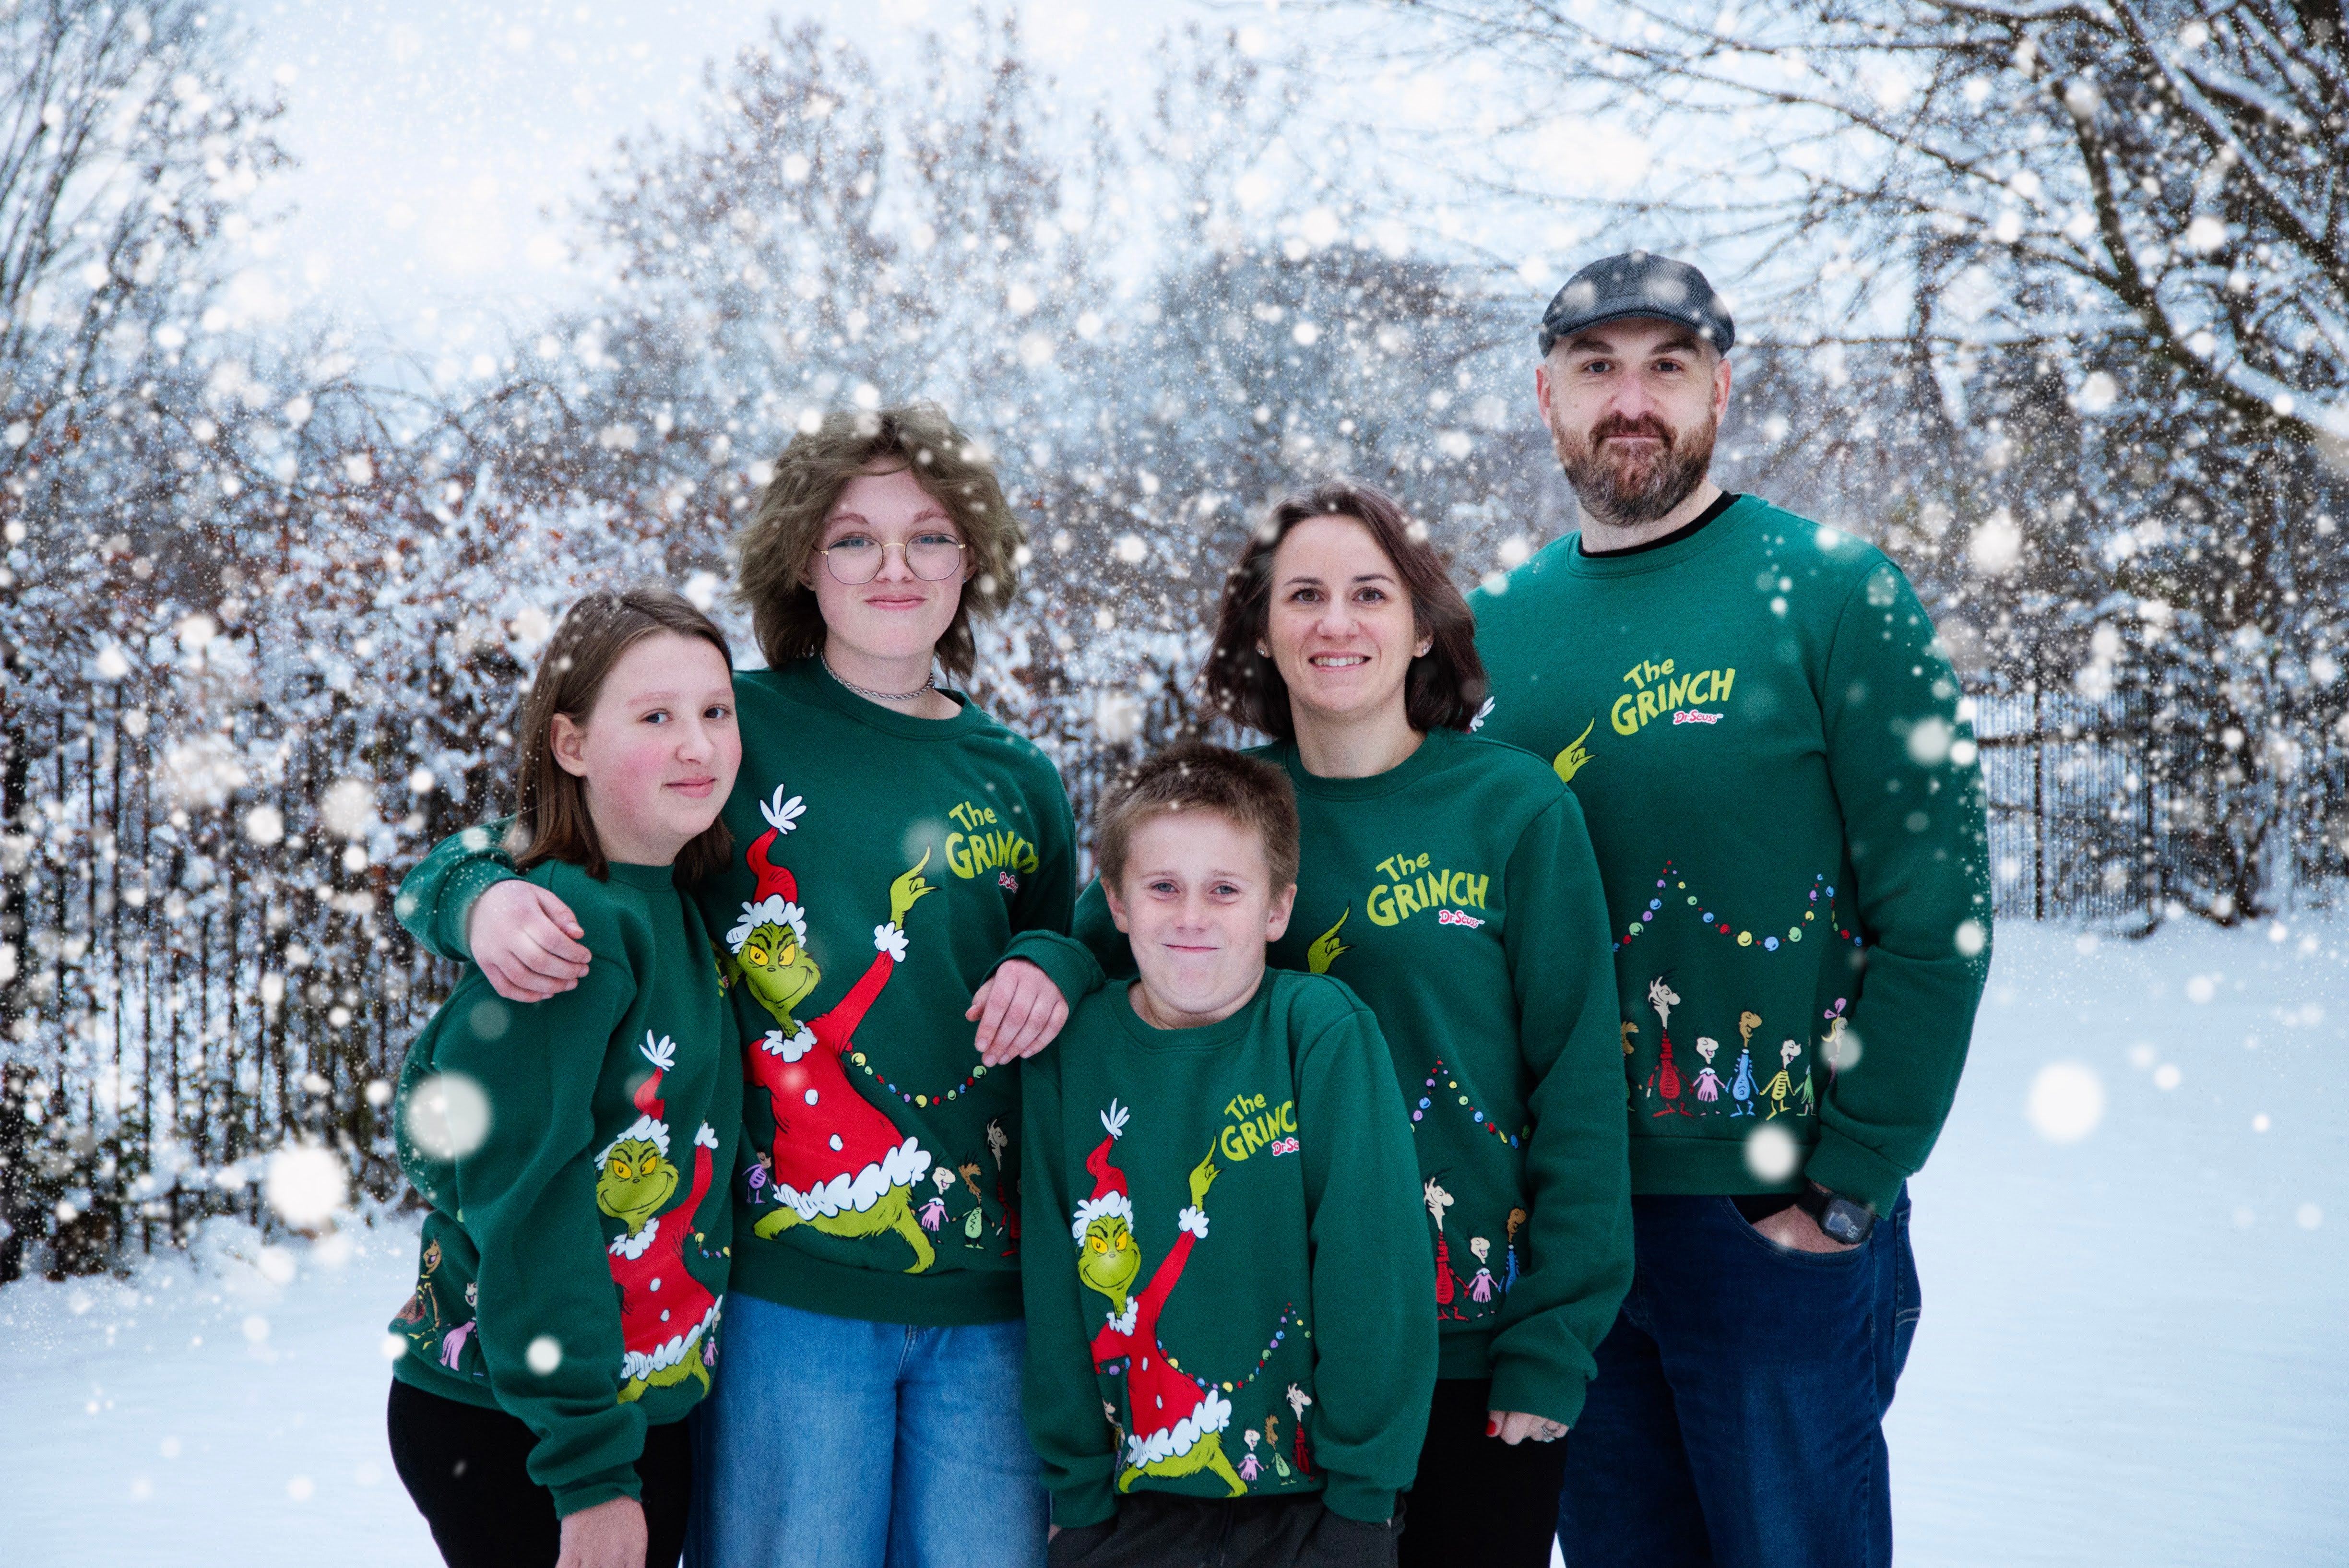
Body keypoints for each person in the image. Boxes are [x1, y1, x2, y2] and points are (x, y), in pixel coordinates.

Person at [391, 404, 1076, 1568]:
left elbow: (1070, 942)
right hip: (778, 1289)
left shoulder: (1015, 775)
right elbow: (493, 854)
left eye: (932, 536)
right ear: (806, 559)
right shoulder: (725, 722)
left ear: (975, 558)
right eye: (855, 536)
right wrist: (478, 902)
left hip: (986, 1300)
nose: (895, 566)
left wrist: (1051, 960)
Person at [994, 479, 1630, 1568]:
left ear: (1422, 623)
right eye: (1304, 595)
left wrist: (1552, 1338)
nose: (1336, 622)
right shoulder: (1236, 809)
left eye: (1369, 592)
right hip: (1275, 1355)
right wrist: (1045, 955)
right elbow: (1112, 930)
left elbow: (1577, 1083)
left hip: (1474, 1338)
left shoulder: (1514, 809)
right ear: (1263, 628)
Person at [1468, 251, 1994, 1568]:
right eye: (1597, 368)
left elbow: (1940, 915)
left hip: (1771, 1226)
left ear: (1720, 388)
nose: (1629, 400)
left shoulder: (1836, 595)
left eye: (1666, 365)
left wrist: (1847, 1185)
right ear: (1546, 395)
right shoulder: (1495, 630)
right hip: (1572, 1231)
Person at [384, 586, 743, 1568]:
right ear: (572, 743)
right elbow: (529, 1206)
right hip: (527, 1427)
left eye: (717, 711)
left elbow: (465, 855)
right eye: (656, 716)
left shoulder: (668, 897)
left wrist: (460, 883)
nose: (698, 745)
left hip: (622, 1409)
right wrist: (587, 1470)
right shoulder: (568, 936)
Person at [1018, 743, 1434, 1568]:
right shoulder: (1071, 1050)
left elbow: (1372, 1270)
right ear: (1118, 901)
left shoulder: (1318, 1030)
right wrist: (1077, 1490)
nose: (1192, 917)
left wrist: (1363, 1499)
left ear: (1277, 909)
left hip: (1313, 1507)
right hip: (1130, 1508)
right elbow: (1052, 1280)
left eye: (1225, 891)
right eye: (1164, 887)